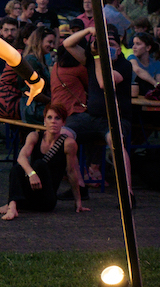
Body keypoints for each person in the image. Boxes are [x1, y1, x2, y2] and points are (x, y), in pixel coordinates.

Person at [63, 24, 133, 200]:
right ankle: (79, 186)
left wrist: (97, 57)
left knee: (115, 142)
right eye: (104, 44)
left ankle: (127, 192)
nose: (107, 48)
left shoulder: (124, 65)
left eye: (111, 45)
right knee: (62, 135)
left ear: (119, 49)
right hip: (92, 117)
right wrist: (88, 31)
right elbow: (67, 44)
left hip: (116, 119)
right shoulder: (92, 59)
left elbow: (104, 83)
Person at [0, 103, 87, 220]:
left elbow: (71, 172)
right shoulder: (35, 136)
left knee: (39, 164)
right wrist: (31, 174)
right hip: (30, 195)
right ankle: (12, 207)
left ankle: (14, 204)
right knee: (17, 168)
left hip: (46, 201)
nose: (53, 121)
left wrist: (78, 201)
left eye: (57, 118)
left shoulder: (68, 143)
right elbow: (21, 157)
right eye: (49, 117)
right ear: (44, 121)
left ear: (63, 123)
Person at [128, 32, 160, 96]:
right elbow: (137, 70)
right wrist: (155, 84)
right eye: (134, 44)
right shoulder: (132, 58)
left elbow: (159, 82)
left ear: (148, 48)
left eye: (138, 44)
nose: (134, 47)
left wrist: (159, 87)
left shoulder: (156, 63)